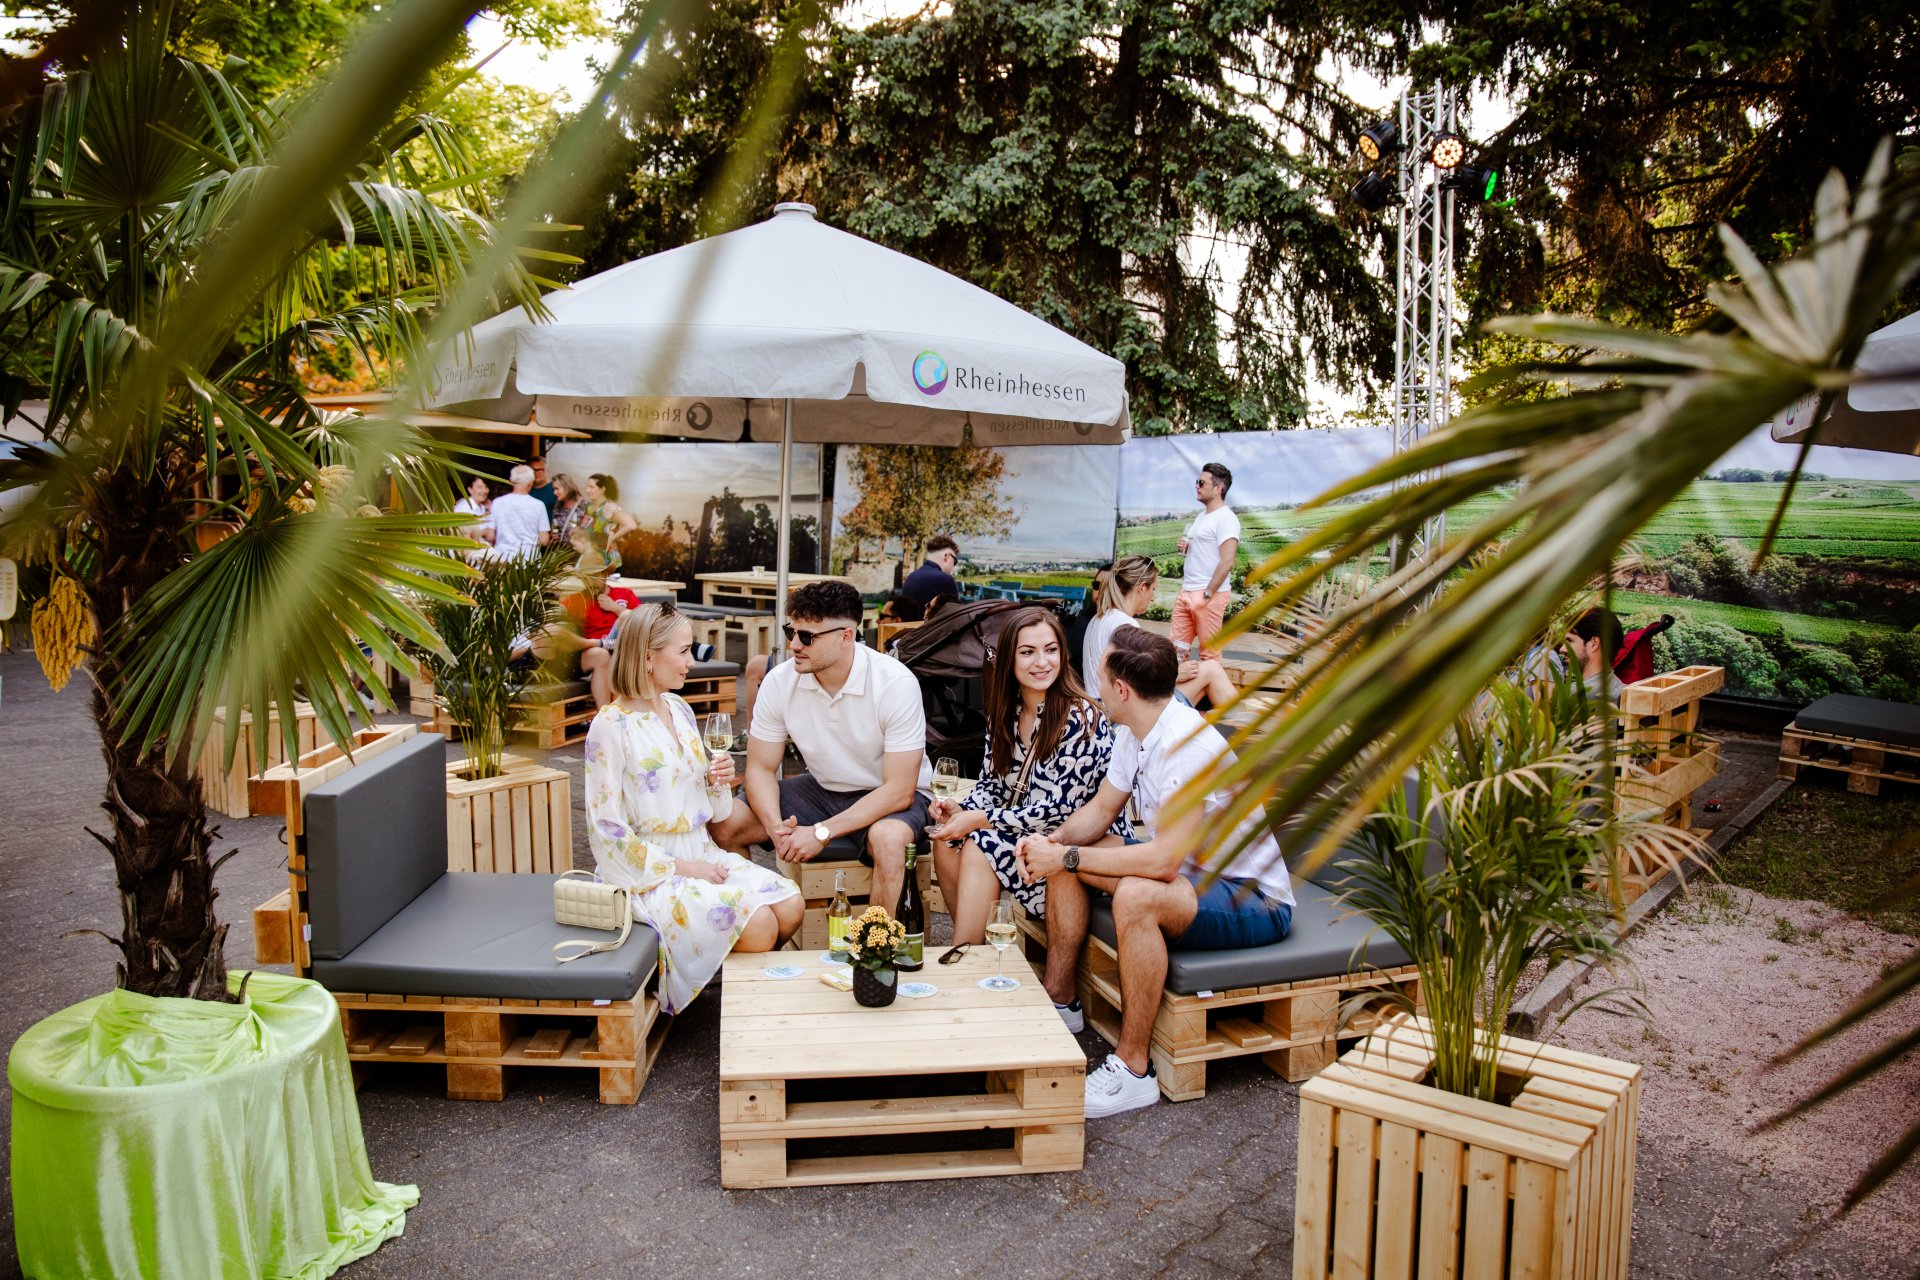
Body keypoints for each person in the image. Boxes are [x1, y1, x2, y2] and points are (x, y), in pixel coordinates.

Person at [1016, 627, 1294, 1117]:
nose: (1096, 686)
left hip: (1251, 898)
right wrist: (1053, 844)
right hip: (1191, 874)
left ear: (1122, 690)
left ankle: (1133, 1070)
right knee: (1072, 852)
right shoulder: (1136, 731)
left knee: (1135, 895)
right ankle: (1059, 1002)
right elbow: (1102, 811)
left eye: (1101, 677)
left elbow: (1163, 862)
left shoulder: (1186, 746)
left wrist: (1067, 858)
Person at [583, 602, 803, 1013]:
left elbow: (715, 811)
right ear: (648, 657)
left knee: (791, 905)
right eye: (683, 651)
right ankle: (741, 1012)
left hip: (702, 851)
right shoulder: (610, 726)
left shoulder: (679, 709)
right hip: (650, 873)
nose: (691, 661)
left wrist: (716, 780)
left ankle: (727, 984)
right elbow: (606, 832)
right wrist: (685, 869)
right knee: (760, 926)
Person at [711, 580, 932, 917]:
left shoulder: (894, 683)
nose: (794, 645)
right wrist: (774, 827)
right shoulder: (780, 681)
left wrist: (821, 832)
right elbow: (759, 769)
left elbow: (899, 790)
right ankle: (758, 923)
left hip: (891, 795)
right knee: (726, 822)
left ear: (846, 636)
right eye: (791, 631)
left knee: (888, 839)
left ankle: (876, 944)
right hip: (824, 789)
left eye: (807, 636)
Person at [927, 607, 1131, 942]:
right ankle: (971, 948)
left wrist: (978, 820)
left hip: (1079, 845)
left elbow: (1060, 810)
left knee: (979, 843)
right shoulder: (1007, 713)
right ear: (1009, 658)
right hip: (1025, 832)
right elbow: (991, 785)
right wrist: (960, 809)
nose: (1042, 662)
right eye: (1027, 652)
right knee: (947, 839)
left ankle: (964, 950)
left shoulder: (1081, 719)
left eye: (1051, 650)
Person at [1083, 553, 1236, 709]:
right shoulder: (1124, 624)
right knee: (1211, 669)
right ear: (1142, 587)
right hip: (1118, 713)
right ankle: (1244, 718)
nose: (1153, 598)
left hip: (1101, 708)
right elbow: (1136, 685)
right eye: (1153, 589)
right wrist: (1175, 675)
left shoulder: (1098, 619)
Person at [1172, 461, 1240, 662]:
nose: (1196, 486)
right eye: (1197, 482)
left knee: (1209, 656)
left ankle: (1209, 684)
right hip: (1187, 591)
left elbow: (1227, 561)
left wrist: (1207, 594)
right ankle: (1178, 684)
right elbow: (1204, 552)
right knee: (1175, 652)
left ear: (1218, 488)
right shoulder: (1202, 516)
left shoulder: (1226, 518)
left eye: (1201, 483)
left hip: (1208, 594)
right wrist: (1187, 548)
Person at [559, 550, 641, 707]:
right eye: (586, 577)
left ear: (605, 574)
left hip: (623, 646)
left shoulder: (623, 593)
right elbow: (556, 616)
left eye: (594, 576)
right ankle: (605, 715)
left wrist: (615, 607)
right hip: (597, 648)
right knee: (602, 654)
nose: (590, 581)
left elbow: (643, 621)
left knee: (626, 616)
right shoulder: (577, 599)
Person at [489, 464, 551, 561]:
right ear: (531, 482)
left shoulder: (497, 503)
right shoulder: (538, 505)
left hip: (502, 558)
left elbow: (490, 536)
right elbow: (544, 540)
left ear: (511, 480)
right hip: (529, 560)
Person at [579, 473, 639, 567]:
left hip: (608, 562)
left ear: (602, 489)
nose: (587, 490)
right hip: (592, 559)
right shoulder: (590, 508)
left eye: (591, 487)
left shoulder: (609, 507)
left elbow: (631, 525)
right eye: (587, 487)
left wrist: (613, 537)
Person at [1567, 606, 1624, 701]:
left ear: (1594, 644)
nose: (1562, 649)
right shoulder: (1619, 688)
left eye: (1570, 641)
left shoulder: (1574, 697)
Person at [900, 534, 960, 609]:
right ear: (946, 557)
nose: (953, 566)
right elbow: (957, 614)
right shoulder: (946, 580)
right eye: (954, 562)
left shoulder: (911, 577)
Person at [452, 474, 494, 552]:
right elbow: (460, 534)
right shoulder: (464, 508)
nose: (484, 491)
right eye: (480, 487)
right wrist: (484, 532)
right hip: (468, 551)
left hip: (483, 550)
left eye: (486, 487)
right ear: (470, 490)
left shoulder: (484, 507)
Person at [549, 473, 585, 548]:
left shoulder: (584, 505)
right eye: (554, 489)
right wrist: (553, 536)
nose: (554, 493)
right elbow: (555, 529)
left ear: (567, 487)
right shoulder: (558, 507)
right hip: (561, 552)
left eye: (557, 489)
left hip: (578, 551)